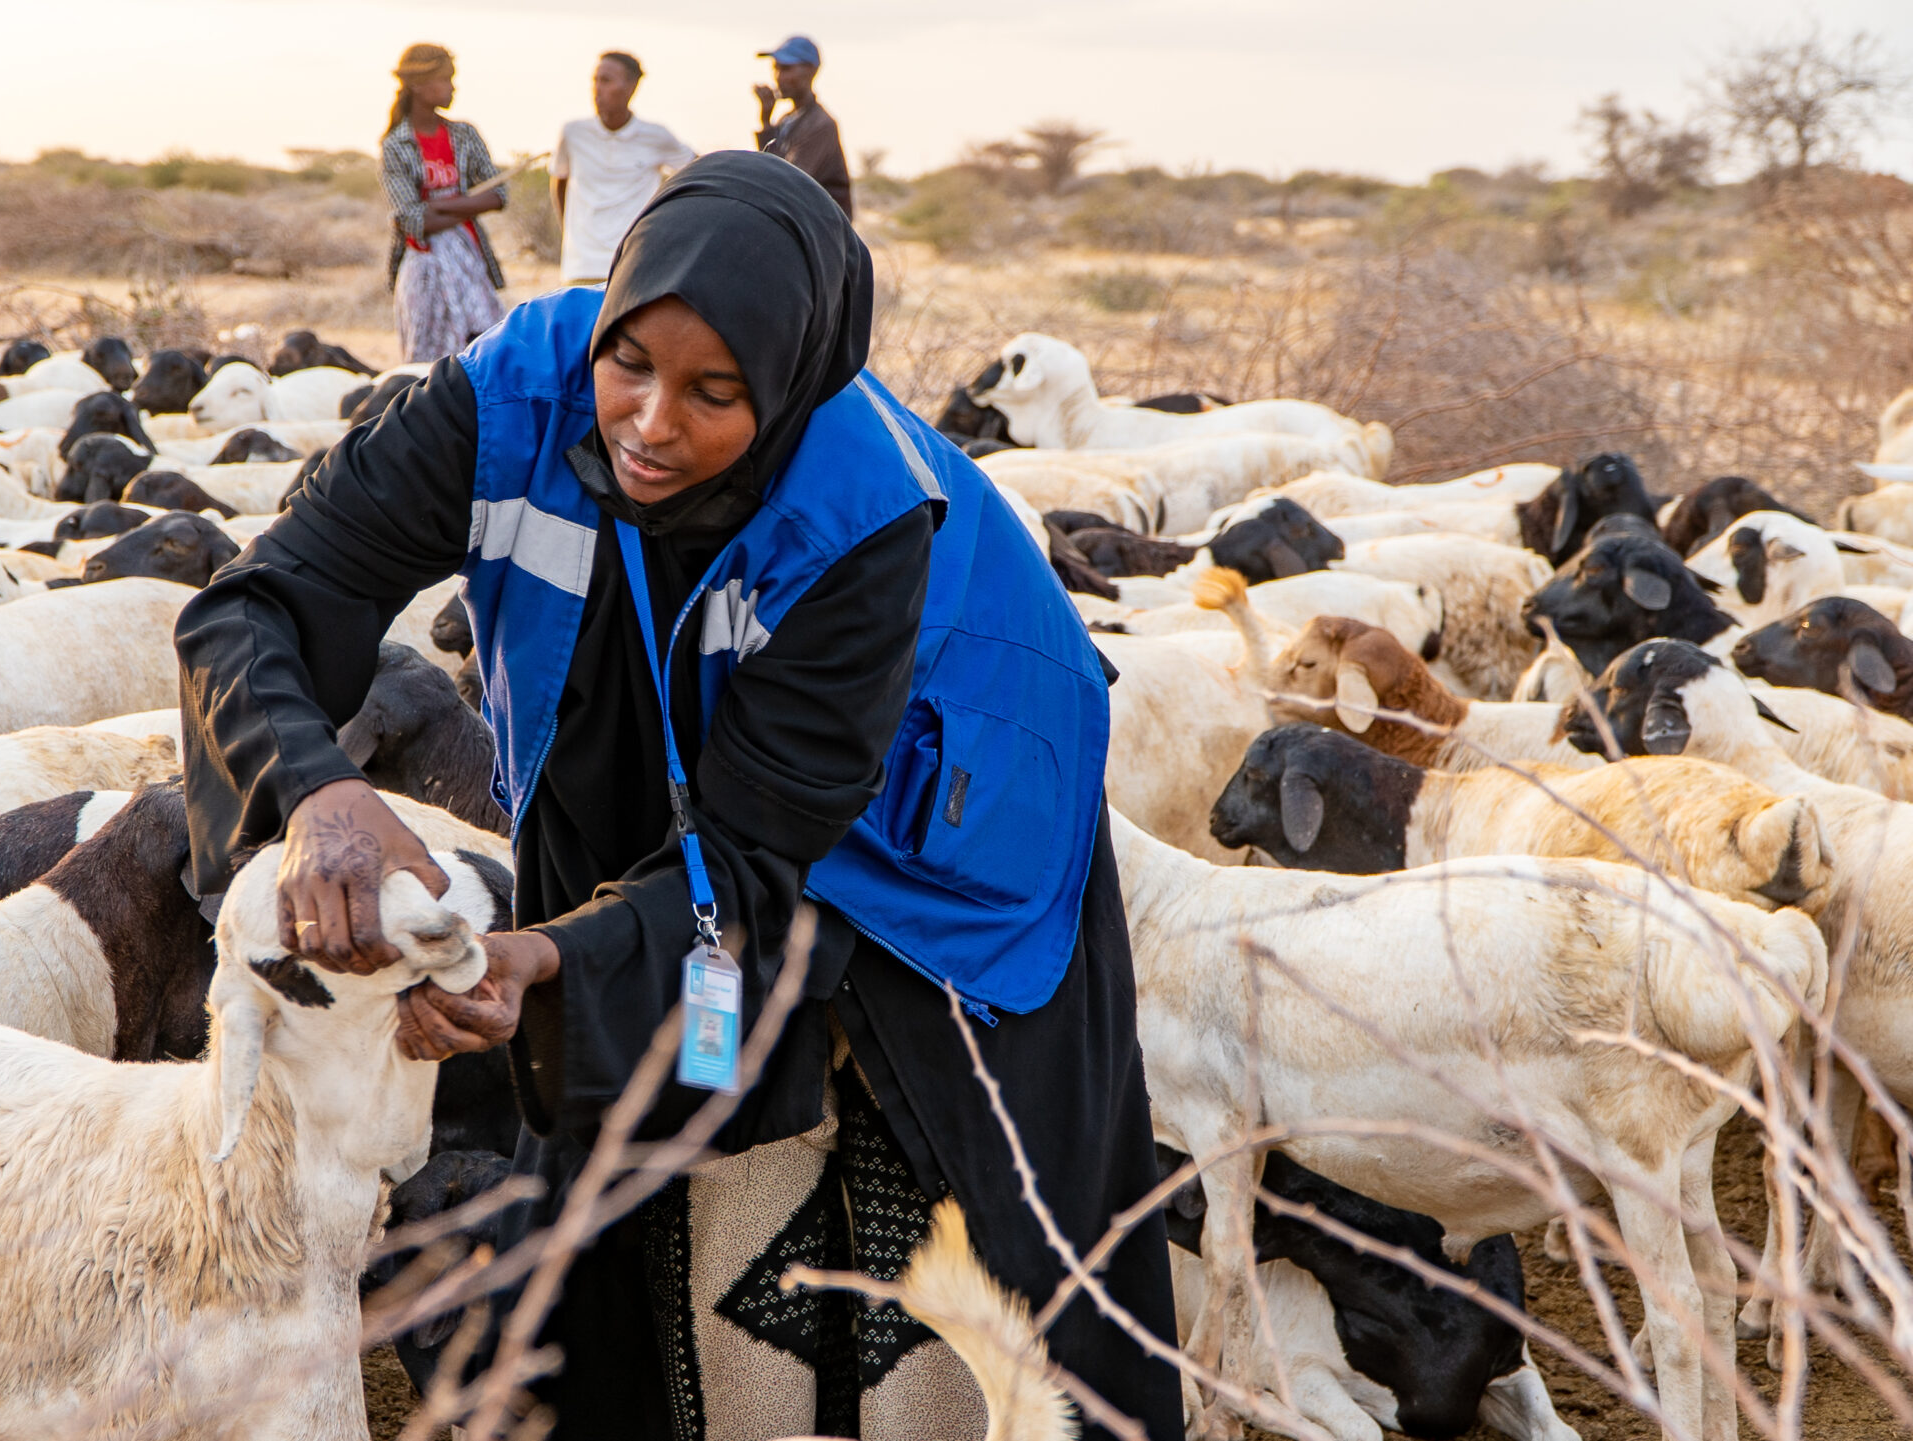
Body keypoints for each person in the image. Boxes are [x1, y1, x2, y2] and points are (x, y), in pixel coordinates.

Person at [178, 152, 1178, 1439]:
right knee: (622, 1131)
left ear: (791, 382)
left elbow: (757, 848)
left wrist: (554, 954)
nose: (649, 424)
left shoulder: (863, 513)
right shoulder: (506, 397)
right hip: (648, 704)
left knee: (976, 1178)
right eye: (630, 363)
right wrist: (318, 789)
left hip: (944, 786)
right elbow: (257, 604)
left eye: (715, 393)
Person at [381, 43, 508, 363]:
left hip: (469, 258)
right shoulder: (396, 145)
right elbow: (414, 221)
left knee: (483, 345)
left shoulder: (464, 135)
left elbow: (498, 195)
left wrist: (440, 206)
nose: (453, 87)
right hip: (423, 262)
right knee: (428, 359)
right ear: (418, 84)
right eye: (445, 79)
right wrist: (467, 205)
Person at [551, 52, 695, 286]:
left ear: (631, 87)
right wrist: (570, 235)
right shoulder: (573, 133)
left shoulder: (656, 136)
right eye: (595, 80)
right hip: (582, 266)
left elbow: (698, 170)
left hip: (635, 263)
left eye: (606, 80)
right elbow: (560, 181)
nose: (597, 88)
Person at [754, 35, 851, 216]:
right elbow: (770, 171)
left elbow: (788, 180)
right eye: (776, 68)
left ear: (811, 71)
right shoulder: (788, 120)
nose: (779, 77)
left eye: (786, 69)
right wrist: (766, 122)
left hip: (821, 224)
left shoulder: (821, 125)